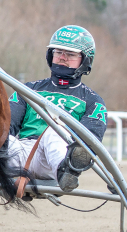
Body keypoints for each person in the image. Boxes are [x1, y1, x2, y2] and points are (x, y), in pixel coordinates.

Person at [7, 25, 107, 193]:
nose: (62, 58)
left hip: (54, 159)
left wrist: (78, 153)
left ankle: (67, 173)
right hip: (21, 154)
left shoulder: (93, 100)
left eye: (70, 54)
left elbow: (92, 139)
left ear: (85, 60)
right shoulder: (27, 90)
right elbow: (6, 124)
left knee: (54, 129)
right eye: (58, 52)